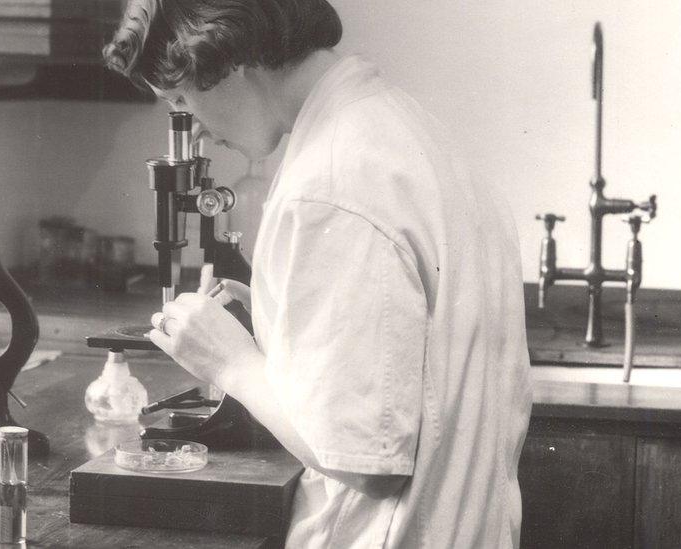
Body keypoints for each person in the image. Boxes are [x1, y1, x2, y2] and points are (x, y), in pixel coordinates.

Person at [103, 1, 533, 547]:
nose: (200, 132)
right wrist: (281, 328)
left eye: (183, 99)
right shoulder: (405, 131)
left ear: (226, 57)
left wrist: (231, 362)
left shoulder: (330, 184)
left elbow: (364, 461)